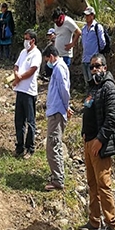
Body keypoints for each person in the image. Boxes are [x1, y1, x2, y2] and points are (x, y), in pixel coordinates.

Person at [81, 54, 115, 230]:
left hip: (100, 145)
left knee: (104, 185)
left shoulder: (109, 88)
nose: (94, 70)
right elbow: (88, 109)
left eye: (98, 66)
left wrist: (99, 140)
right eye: (92, 67)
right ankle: (94, 220)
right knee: (91, 183)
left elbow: (113, 118)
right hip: (88, 141)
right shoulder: (92, 87)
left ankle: (112, 226)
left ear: (105, 67)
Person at [44, 44, 71, 190]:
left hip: (57, 112)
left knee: (52, 146)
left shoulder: (59, 68)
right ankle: (58, 176)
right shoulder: (59, 67)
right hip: (56, 110)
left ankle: (58, 180)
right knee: (56, 145)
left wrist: (66, 107)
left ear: (52, 57)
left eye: (47, 59)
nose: (47, 63)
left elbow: (64, 90)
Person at [12, 30, 42, 158]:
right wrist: (16, 75)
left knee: (30, 121)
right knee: (19, 120)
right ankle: (19, 146)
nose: (25, 41)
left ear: (33, 40)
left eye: (27, 38)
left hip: (29, 91)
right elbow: (16, 66)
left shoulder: (37, 54)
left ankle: (30, 148)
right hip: (20, 90)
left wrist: (19, 78)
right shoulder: (23, 52)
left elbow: (32, 70)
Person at [81, 7, 110, 88]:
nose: (86, 17)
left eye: (88, 15)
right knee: (87, 83)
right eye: (85, 15)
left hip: (94, 61)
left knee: (95, 81)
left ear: (93, 15)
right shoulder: (84, 28)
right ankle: (89, 98)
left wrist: (97, 55)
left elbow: (102, 43)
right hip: (85, 59)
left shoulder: (98, 27)